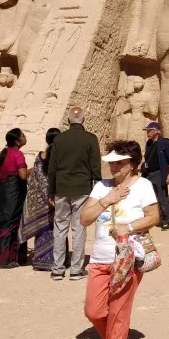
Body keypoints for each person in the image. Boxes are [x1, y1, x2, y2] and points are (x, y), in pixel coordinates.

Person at [80, 141, 161, 339]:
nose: (114, 166)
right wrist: (107, 199)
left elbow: (154, 216)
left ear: (133, 164)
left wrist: (129, 226)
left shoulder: (143, 185)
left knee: (118, 312)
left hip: (127, 258)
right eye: (112, 162)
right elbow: (84, 218)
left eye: (120, 162)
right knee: (93, 311)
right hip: (100, 258)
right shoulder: (101, 187)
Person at [49, 106, 102, 280]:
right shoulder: (90, 139)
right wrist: (98, 187)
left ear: (68, 121)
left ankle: (57, 269)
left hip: (61, 188)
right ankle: (75, 269)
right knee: (79, 228)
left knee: (60, 228)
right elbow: (95, 165)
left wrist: (51, 190)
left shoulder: (59, 139)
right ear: (83, 120)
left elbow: (52, 168)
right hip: (82, 188)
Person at [0, 128, 30, 268]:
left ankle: (3, 256)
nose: (25, 137)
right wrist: (34, 170)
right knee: (12, 223)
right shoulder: (18, 155)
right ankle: (5, 259)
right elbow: (23, 175)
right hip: (14, 193)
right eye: (22, 135)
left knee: (5, 220)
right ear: (17, 141)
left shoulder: (5, 153)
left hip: (4, 192)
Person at [20, 127, 59, 271]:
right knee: (56, 230)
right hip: (55, 198)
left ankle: (41, 261)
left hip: (41, 201)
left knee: (41, 230)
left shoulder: (40, 156)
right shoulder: (60, 156)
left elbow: (36, 179)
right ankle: (57, 261)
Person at [140, 121, 169, 230]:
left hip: (159, 173)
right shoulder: (148, 143)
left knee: (162, 197)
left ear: (156, 132)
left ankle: (167, 221)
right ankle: (150, 218)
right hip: (148, 174)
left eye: (149, 130)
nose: (147, 132)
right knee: (148, 197)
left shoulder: (164, 143)